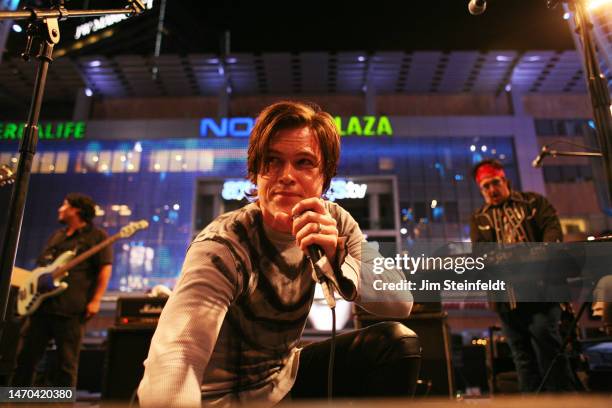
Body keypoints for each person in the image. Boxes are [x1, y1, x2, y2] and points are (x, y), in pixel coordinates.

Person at [138, 101, 419, 407]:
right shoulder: (224, 245)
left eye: (304, 162)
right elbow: (178, 356)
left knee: (395, 343)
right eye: (272, 161)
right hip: (217, 398)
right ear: (256, 173)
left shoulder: (335, 222)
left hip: (279, 382)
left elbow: (401, 301)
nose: (286, 175)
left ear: (324, 177)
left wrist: (339, 258)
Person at [469, 159, 578, 392]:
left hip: (542, 292)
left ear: (505, 180)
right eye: (485, 187)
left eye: (495, 183)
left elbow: (553, 235)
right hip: (506, 298)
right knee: (522, 358)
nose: (491, 190)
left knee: (547, 347)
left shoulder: (534, 203)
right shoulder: (479, 217)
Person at [11, 193, 113, 387]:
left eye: (64, 205)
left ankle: (61, 404)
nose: (60, 209)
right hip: (40, 307)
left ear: (77, 210)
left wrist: (96, 300)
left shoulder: (96, 237)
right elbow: (42, 267)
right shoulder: (57, 236)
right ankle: (17, 401)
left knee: (65, 364)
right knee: (25, 360)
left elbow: (104, 269)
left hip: (70, 309)